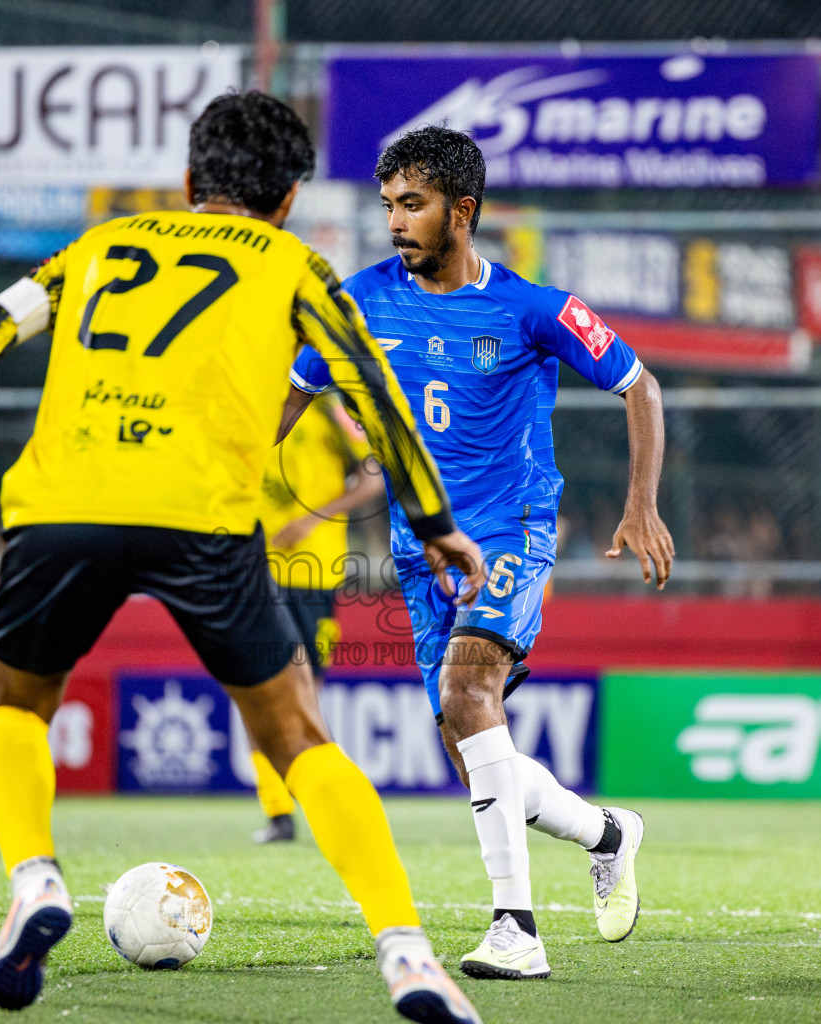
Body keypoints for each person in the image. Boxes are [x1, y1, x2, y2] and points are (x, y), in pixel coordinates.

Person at [0, 93, 485, 1024]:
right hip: (201, 516)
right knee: (297, 736)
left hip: (61, 507)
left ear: (187, 182)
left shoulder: (99, 246)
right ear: (287, 197)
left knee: (15, 706)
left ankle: (36, 880)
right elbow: (370, 383)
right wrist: (437, 519)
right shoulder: (294, 263)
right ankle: (407, 954)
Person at [282, 126, 674, 979]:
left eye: (412, 205)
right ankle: (609, 833)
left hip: (511, 529)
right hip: (419, 546)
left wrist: (640, 505)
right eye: (388, 204)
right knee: (469, 740)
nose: (394, 221)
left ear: (462, 212)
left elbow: (638, 383)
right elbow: (290, 395)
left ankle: (515, 930)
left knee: (469, 690)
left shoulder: (534, 308)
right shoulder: (356, 303)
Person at [249, 392, 383, 843]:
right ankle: (278, 812)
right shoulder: (246, 392)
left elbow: (372, 479)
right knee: (257, 686)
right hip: (254, 566)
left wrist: (311, 519)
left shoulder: (327, 403)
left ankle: (324, 806)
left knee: (304, 692)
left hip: (314, 569)